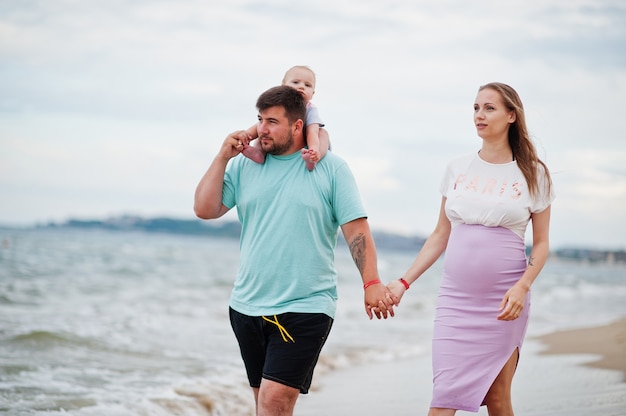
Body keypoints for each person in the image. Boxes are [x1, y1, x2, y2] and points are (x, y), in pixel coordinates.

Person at [194, 85, 396, 416]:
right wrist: (221, 158)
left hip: (306, 305)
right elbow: (205, 209)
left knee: (274, 401)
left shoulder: (332, 169)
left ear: (298, 126)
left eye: (272, 121)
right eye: (260, 119)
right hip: (246, 305)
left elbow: (356, 231)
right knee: (264, 404)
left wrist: (371, 282)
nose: (262, 129)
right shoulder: (246, 166)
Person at [386, 82, 554, 415]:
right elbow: (439, 235)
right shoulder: (457, 168)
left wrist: (523, 286)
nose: (479, 115)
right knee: (443, 398)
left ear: (511, 116)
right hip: (455, 303)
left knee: (497, 398)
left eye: (489, 108)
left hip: (504, 302)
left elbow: (542, 243)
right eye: (476, 108)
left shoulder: (534, 173)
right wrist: (403, 282)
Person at [241, 65, 329, 171]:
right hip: (285, 135)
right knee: (265, 128)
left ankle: (313, 158)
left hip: (307, 137)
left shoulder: (311, 109)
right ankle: (259, 153)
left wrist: (313, 148)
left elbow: (312, 132)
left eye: (307, 85)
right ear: (283, 86)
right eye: (296, 82)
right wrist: (246, 136)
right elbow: (263, 123)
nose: (301, 87)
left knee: (323, 134)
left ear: (313, 93)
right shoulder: (279, 105)